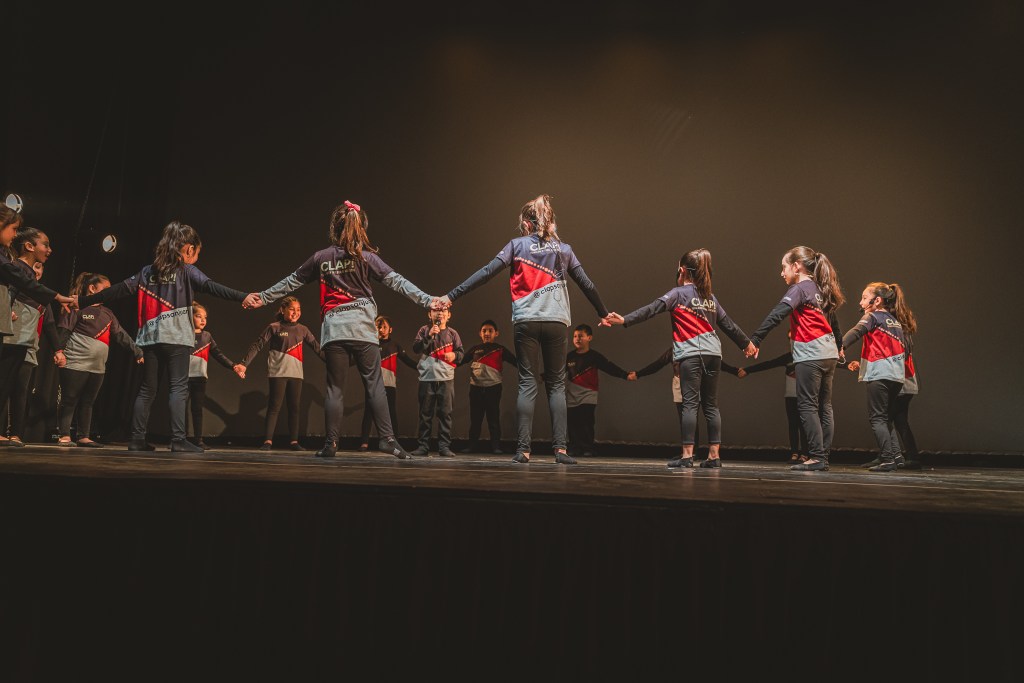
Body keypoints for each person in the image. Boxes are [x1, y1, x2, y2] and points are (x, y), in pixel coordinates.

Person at [243, 199, 434, 459]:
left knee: (335, 388)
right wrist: (428, 300)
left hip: (335, 331)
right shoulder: (366, 257)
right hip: (363, 329)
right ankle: (388, 440)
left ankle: (331, 444)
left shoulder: (321, 258)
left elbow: (290, 282)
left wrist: (263, 298)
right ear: (361, 227)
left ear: (335, 227)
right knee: (375, 385)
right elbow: (398, 282)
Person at [434, 194, 610, 465]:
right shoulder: (564, 249)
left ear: (526, 224)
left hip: (526, 321)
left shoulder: (516, 246)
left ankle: (523, 450)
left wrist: (451, 296)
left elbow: (486, 272)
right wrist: (603, 313)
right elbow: (586, 284)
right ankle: (561, 450)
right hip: (556, 322)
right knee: (556, 385)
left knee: (527, 383)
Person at [74, 220, 250, 452]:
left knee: (147, 389)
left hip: (151, 338)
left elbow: (117, 290)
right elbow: (213, 287)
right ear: (188, 249)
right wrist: (243, 296)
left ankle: (137, 439)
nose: (196, 257)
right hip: (177, 338)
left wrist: (82, 300)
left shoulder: (146, 272)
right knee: (178, 388)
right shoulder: (187, 270)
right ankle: (178, 440)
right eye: (197, 253)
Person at [602, 248, 755, 468]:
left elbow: (651, 309)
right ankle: (714, 457)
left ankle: (687, 456)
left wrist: (624, 319)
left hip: (691, 355)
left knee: (689, 405)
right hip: (714, 355)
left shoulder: (677, 294)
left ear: (682, 270)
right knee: (711, 406)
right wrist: (747, 344)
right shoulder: (710, 298)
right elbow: (729, 325)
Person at [748, 245, 844, 472]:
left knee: (807, 405)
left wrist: (756, 339)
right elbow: (834, 323)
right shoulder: (821, 289)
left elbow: (777, 314)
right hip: (829, 353)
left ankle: (816, 457)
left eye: (784, 267)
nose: (782, 273)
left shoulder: (800, 289)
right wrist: (840, 346)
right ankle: (823, 457)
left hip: (811, 353)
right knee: (825, 406)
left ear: (797, 266)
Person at [55, 272, 144, 447]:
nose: (109, 292)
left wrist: (137, 351)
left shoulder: (108, 313)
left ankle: (83, 436)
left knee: (88, 402)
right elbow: (64, 330)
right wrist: (59, 351)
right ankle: (64, 435)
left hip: (97, 366)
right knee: (69, 399)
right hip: (75, 362)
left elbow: (121, 335)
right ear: (92, 288)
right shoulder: (77, 307)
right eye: (106, 289)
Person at [1, 227, 65, 446]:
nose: (49, 250)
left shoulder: (32, 281)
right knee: (4, 385)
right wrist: (6, 311)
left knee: (17, 389)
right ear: (29, 246)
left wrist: (58, 349)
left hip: (24, 342)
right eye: (45, 245)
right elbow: (7, 294)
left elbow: (48, 323)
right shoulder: (16, 268)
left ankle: (14, 433)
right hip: (10, 337)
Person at [842, 282, 914, 472]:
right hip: (896, 376)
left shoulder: (873, 316)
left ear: (878, 300)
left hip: (880, 374)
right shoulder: (895, 321)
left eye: (865, 298)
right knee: (886, 418)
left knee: (877, 419)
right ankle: (897, 458)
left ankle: (888, 460)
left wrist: (839, 346)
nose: (861, 302)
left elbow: (856, 331)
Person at [237, 296, 323, 451]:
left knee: (294, 408)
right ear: (283, 310)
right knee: (274, 407)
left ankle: (294, 442)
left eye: (298, 310)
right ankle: (268, 441)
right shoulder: (274, 327)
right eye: (292, 309)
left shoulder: (303, 329)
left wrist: (337, 361)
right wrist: (244, 364)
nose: (296, 312)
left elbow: (317, 348)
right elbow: (257, 345)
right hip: (278, 373)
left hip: (296, 374)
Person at [635, 348, 740, 460]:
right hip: (681, 383)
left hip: (693, 382)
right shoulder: (674, 350)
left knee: (694, 413)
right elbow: (657, 364)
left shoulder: (695, 350)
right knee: (689, 416)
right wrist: (638, 374)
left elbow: (715, 362)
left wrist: (735, 371)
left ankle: (691, 453)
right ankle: (693, 453)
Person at [564, 323, 635, 458]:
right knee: (572, 423)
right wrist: (543, 377)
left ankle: (588, 448)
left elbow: (609, 367)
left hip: (588, 394)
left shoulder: (594, 356)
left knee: (586, 422)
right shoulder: (570, 357)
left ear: (589, 338)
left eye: (581, 336)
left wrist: (625, 375)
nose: (577, 339)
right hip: (572, 395)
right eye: (575, 336)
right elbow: (558, 372)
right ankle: (574, 447)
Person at [738, 334, 809, 464]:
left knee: (804, 425)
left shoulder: (809, 356)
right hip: (790, 396)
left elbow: (829, 362)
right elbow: (769, 364)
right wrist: (748, 370)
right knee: (793, 424)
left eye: (793, 337)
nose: (791, 341)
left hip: (805, 396)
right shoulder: (788, 357)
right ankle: (794, 452)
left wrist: (847, 364)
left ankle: (805, 453)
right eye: (789, 338)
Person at [357, 315, 417, 452]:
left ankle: (395, 442)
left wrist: (421, 367)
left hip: (389, 384)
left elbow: (407, 360)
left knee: (391, 412)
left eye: (384, 327)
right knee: (369, 412)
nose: (381, 330)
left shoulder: (395, 345)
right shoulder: (371, 344)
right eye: (379, 327)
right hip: (373, 384)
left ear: (390, 329)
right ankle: (364, 443)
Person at [186, 301, 241, 450]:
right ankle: (178, 439)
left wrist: (233, 365)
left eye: (205, 317)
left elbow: (218, 354)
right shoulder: (184, 334)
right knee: (180, 409)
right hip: (183, 378)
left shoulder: (207, 336)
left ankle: (198, 440)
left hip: (199, 378)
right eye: (199, 316)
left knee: (197, 409)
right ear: (190, 317)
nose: (203, 320)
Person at [457, 319, 516, 454]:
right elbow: (460, 362)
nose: (487, 333)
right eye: (484, 331)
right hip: (476, 389)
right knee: (475, 419)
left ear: (496, 333)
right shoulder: (474, 349)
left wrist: (532, 373)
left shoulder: (500, 349)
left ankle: (496, 446)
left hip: (493, 388)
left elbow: (516, 362)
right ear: (480, 333)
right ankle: (471, 446)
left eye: (490, 331)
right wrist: (445, 365)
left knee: (493, 418)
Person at [411, 307, 464, 457]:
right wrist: (429, 336)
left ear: (449, 315)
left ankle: (444, 447)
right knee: (425, 414)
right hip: (426, 378)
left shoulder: (453, 333)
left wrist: (454, 355)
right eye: (436, 310)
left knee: (445, 414)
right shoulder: (424, 330)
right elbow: (416, 348)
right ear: (430, 314)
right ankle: (423, 446)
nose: (440, 313)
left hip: (446, 379)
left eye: (443, 310)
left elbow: (461, 353)